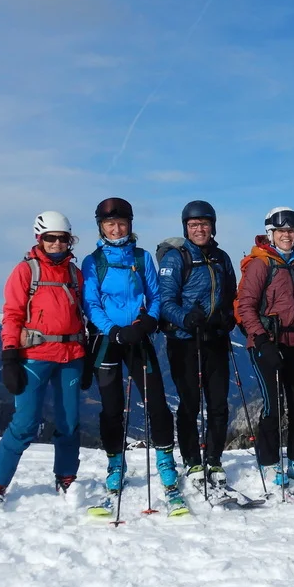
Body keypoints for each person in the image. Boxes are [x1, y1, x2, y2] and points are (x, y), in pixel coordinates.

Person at [0, 211, 87, 511]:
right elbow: (12, 314)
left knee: (69, 422)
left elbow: (83, 314)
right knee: (25, 423)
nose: (57, 243)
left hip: (71, 355)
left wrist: (88, 356)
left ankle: (66, 477)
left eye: (63, 238)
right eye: (50, 238)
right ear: (39, 238)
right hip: (35, 355)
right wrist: (9, 357)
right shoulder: (26, 271)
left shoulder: (74, 274)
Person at [81, 197, 179, 510]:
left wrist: (148, 321)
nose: (116, 229)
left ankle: (165, 459)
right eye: (110, 224)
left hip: (138, 337)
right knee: (111, 408)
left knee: (157, 401)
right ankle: (115, 463)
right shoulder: (93, 261)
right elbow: (90, 303)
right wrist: (113, 330)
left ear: (130, 225)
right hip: (107, 340)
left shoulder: (142, 257)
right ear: (101, 227)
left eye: (121, 223)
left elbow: (155, 295)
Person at [157, 200, 238, 491]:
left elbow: (231, 293)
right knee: (190, 403)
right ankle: (192, 460)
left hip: (215, 338)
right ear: (186, 228)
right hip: (184, 341)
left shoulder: (221, 257)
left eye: (204, 224)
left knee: (218, 403)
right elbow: (165, 301)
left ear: (212, 226)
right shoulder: (175, 259)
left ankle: (214, 458)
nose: (199, 229)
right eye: (193, 225)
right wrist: (185, 318)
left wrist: (228, 315)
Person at [236, 206, 294, 487]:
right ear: (270, 233)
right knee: (272, 405)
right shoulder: (260, 264)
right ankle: (269, 463)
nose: (287, 235)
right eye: (281, 231)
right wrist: (261, 339)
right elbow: (246, 306)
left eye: (291, 230)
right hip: (266, 342)